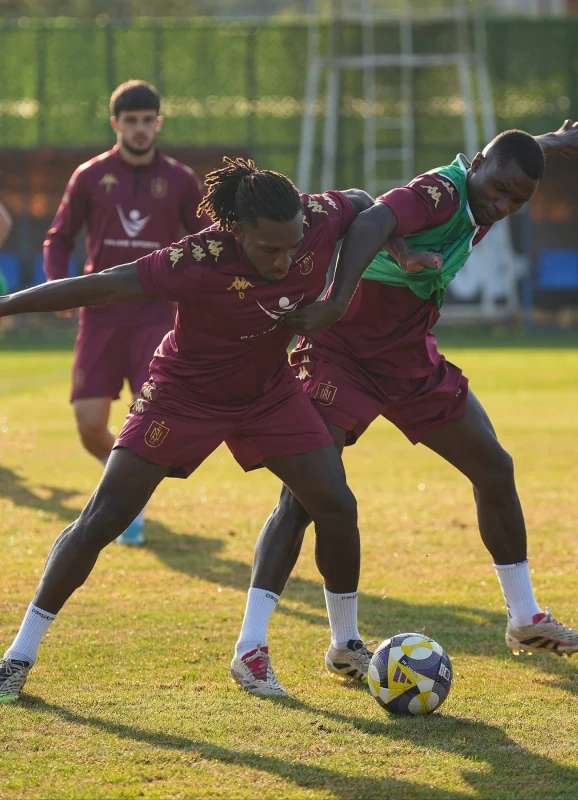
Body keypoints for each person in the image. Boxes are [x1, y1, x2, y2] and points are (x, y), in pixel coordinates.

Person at [232, 122, 578, 696]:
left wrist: (549, 144)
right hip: (342, 354)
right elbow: (372, 220)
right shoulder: (441, 191)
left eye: (518, 199)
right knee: (307, 498)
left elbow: (506, 159)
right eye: (499, 189)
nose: (502, 203)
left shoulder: (487, 188)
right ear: (476, 164)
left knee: (495, 468)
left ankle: (526, 619)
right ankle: (257, 648)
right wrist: (340, 297)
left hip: (408, 360)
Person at [0, 157, 374, 704]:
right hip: (183, 395)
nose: (286, 258)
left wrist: (340, 295)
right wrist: (7, 305)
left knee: (336, 505)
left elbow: (367, 206)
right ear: (236, 231)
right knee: (103, 518)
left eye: (293, 245)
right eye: (270, 248)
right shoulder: (196, 258)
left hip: (268, 394)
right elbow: (103, 284)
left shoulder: (316, 217)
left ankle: (343, 643)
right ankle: (18, 656)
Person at [43, 79, 208, 545]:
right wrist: (58, 286)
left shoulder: (181, 179)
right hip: (100, 313)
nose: (140, 128)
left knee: (151, 416)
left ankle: (127, 502)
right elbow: (59, 236)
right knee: (90, 423)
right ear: (115, 123)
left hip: (158, 313)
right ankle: (118, 483)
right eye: (131, 120)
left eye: (148, 119)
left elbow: (207, 243)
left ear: (159, 122)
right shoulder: (90, 175)